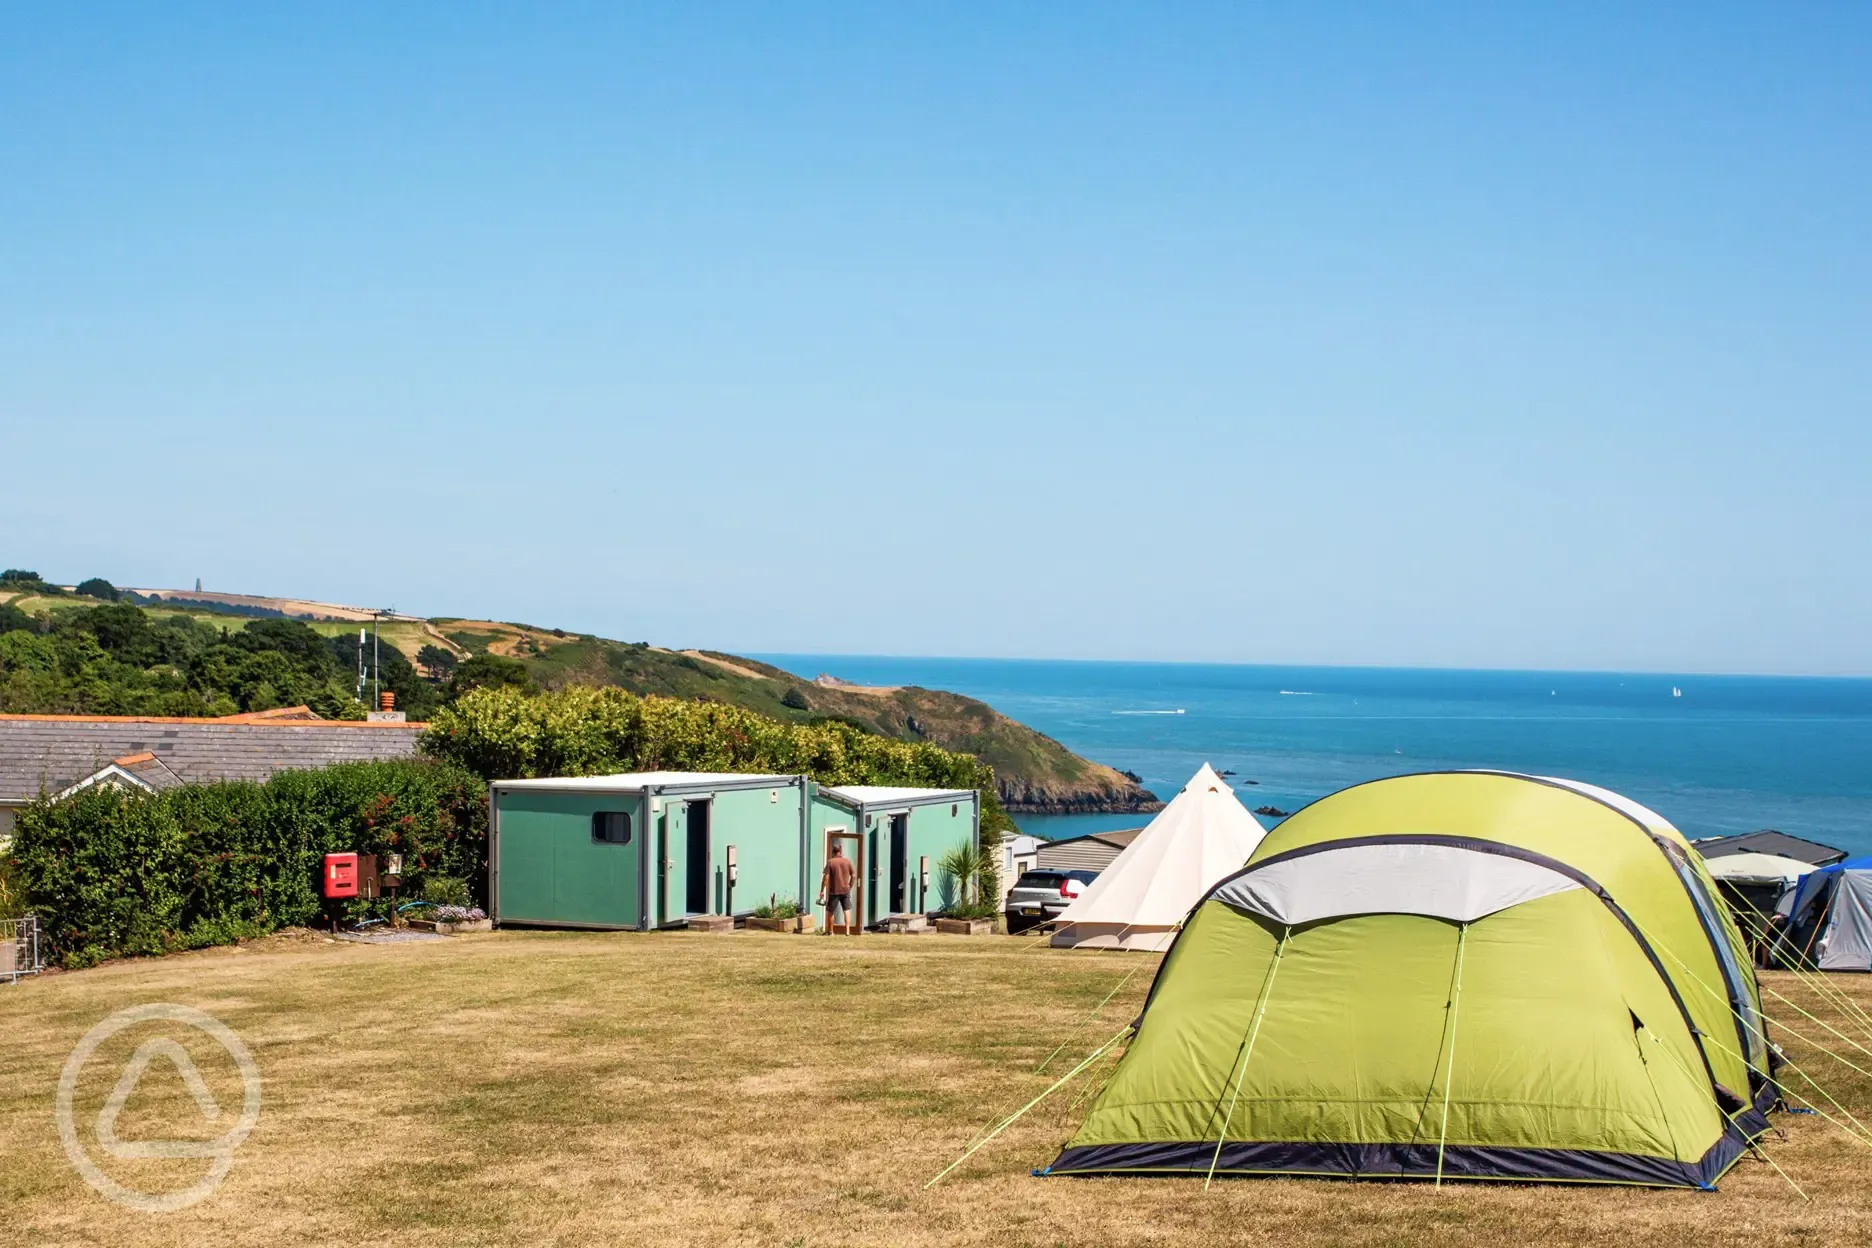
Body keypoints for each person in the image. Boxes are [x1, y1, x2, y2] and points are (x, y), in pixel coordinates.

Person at [819, 842, 857, 934]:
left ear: (833, 851)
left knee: (830, 911)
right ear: (840, 851)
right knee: (846, 910)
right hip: (845, 890)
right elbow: (854, 876)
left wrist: (822, 890)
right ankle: (847, 930)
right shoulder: (847, 861)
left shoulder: (831, 862)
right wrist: (850, 886)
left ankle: (831, 931)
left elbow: (826, 877)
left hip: (834, 891)